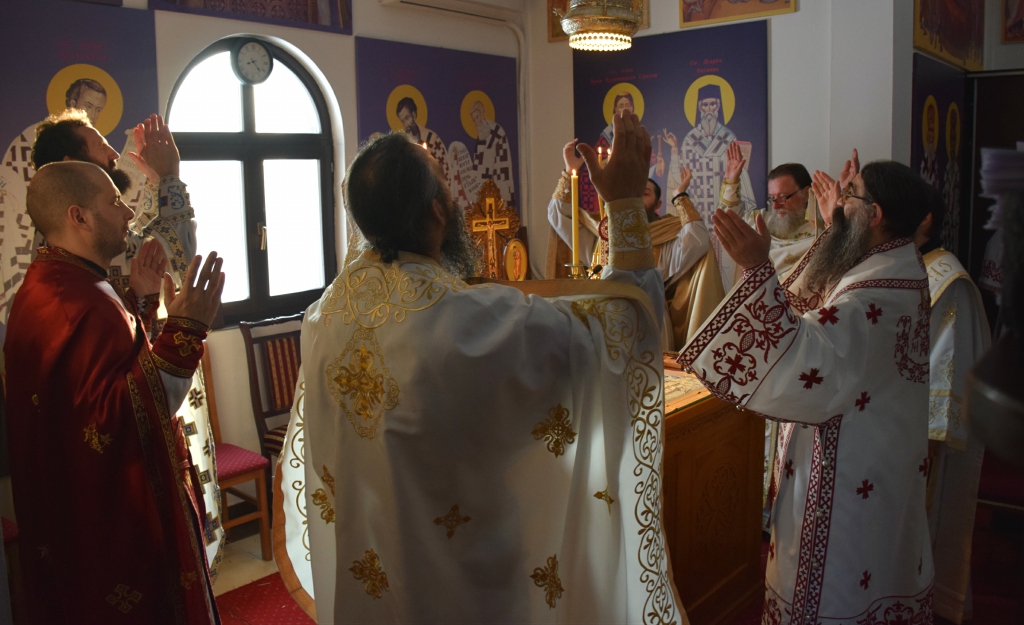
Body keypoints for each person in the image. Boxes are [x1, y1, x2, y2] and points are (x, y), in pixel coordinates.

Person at [301, 113, 684, 623]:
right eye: (445, 184)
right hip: (464, 581)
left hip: (372, 572)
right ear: (437, 211)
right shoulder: (468, 321)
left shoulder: (323, 316)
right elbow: (620, 329)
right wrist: (626, 205)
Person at [678, 160, 935, 623]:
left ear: (875, 214)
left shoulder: (873, 296)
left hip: (851, 473)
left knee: (843, 583)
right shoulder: (900, 264)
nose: (840, 203)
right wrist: (837, 221)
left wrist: (757, 268)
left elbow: (806, 355)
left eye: (850, 196)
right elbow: (822, 296)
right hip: (883, 457)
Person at [4, 161, 224, 624]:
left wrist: (142, 302)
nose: (128, 213)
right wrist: (185, 333)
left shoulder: (57, 283)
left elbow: (100, 378)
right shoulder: (76, 302)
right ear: (79, 217)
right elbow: (113, 422)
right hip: (113, 531)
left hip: (80, 518)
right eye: (115, 201)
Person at [548, 138, 723, 349]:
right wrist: (569, 172)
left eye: (645, 193)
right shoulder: (601, 233)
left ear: (658, 204)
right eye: (632, 192)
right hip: (601, 314)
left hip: (648, 315)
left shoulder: (664, 236)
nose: (636, 198)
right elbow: (559, 217)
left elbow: (697, 241)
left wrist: (680, 196)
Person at [915, 190, 989, 624]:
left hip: (922, 441)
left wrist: (925, 439)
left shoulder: (948, 279)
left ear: (923, 219)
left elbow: (949, 361)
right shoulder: (902, 267)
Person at [666, 84, 756, 289]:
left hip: (724, 217)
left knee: (727, 280)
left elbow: (740, 175)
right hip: (698, 220)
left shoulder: (728, 138)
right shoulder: (690, 141)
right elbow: (678, 178)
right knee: (700, 284)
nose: (709, 109)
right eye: (705, 105)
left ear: (719, 106)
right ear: (699, 108)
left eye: (712, 104)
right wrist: (674, 154)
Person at [469, 100, 516, 207]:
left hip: (499, 177)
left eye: (477, 117)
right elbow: (479, 159)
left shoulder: (495, 131)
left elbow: (487, 161)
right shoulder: (483, 132)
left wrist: (478, 176)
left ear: (482, 113)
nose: (476, 122)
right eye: (474, 120)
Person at [396, 97, 450, 185]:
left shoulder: (432, 139)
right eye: (403, 121)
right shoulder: (404, 146)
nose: (406, 124)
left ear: (414, 115)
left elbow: (444, 170)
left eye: (407, 118)